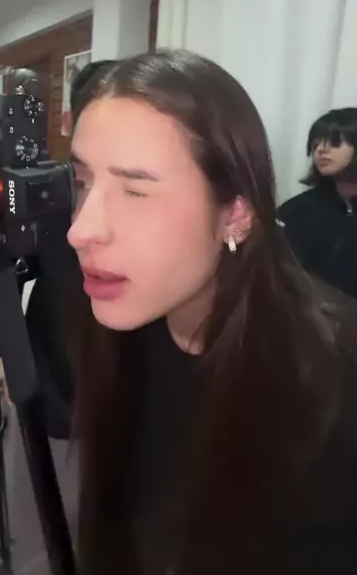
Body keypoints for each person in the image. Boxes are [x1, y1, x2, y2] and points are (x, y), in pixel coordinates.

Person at [67, 50, 357, 575]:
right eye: (83, 182)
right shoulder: (120, 318)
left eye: (134, 191)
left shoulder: (332, 373)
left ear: (236, 213)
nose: (81, 230)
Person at [23, 58, 115, 437]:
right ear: (68, 121)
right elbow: (0, 272)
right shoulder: (39, 188)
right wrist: (0, 355)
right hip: (50, 379)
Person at [279, 108, 357, 299]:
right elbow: (240, 249)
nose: (321, 150)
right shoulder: (296, 209)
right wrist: (233, 236)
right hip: (302, 312)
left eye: (335, 142)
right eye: (315, 145)